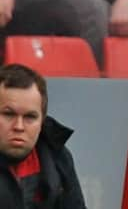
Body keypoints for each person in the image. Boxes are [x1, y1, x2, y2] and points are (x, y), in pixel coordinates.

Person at [0, 63, 86, 208]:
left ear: (42, 121)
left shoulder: (58, 156)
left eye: (30, 117)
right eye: (8, 114)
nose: (19, 127)